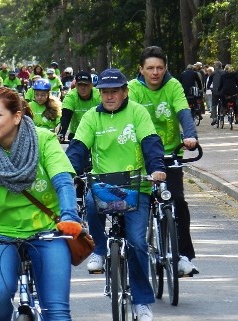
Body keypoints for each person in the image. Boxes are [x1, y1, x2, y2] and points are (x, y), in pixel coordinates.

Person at [0, 86, 81, 321]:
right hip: (0, 233)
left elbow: (63, 180)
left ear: (17, 117)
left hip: (47, 231)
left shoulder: (43, 139)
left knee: (57, 311)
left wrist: (69, 216)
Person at [66, 68, 166, 321]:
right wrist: (65, 172)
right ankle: (99, 249)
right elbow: (78, 149)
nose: (109, 96)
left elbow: (151, 142)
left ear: (124, 92)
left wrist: (156, 168)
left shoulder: (137, 112)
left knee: (137, 243)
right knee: (89, 200)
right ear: (100, 94)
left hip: (136, 186)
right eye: (105, 92)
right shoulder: (92, 117)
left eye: (114, 91)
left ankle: (142, 302)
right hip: (103, 185)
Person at [127, 46, 200, 275]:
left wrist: (190, 135)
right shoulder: (133, 88)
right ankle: (139, 249)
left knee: (178, 200)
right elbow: (129, 116)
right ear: (141, 69)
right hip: (142, 156)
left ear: (165, 68)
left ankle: (185, 256)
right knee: (139, 203)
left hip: (170, 153)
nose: (155, 72)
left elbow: (183, 112)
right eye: (150, 68)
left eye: (159, 68)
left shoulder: (173, 85)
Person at [59, 71, 101, 141]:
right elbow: (66, 117)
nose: (83, 88)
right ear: (75, 85)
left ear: (91, 85)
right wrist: (62, 133)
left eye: (86, 85)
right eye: (80, 85)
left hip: (96, 133)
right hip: (76, 134)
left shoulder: (98, 95)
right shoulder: (71, 96)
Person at [210, 61, 224, 125]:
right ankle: (222, 116)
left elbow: (209, 82)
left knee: (214, 105)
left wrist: (207, 87)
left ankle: (214, 118)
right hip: (222, 91)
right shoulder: (224, 72)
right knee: (223, 103)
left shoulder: (213, 73)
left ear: (216, 66)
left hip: (215, 91)